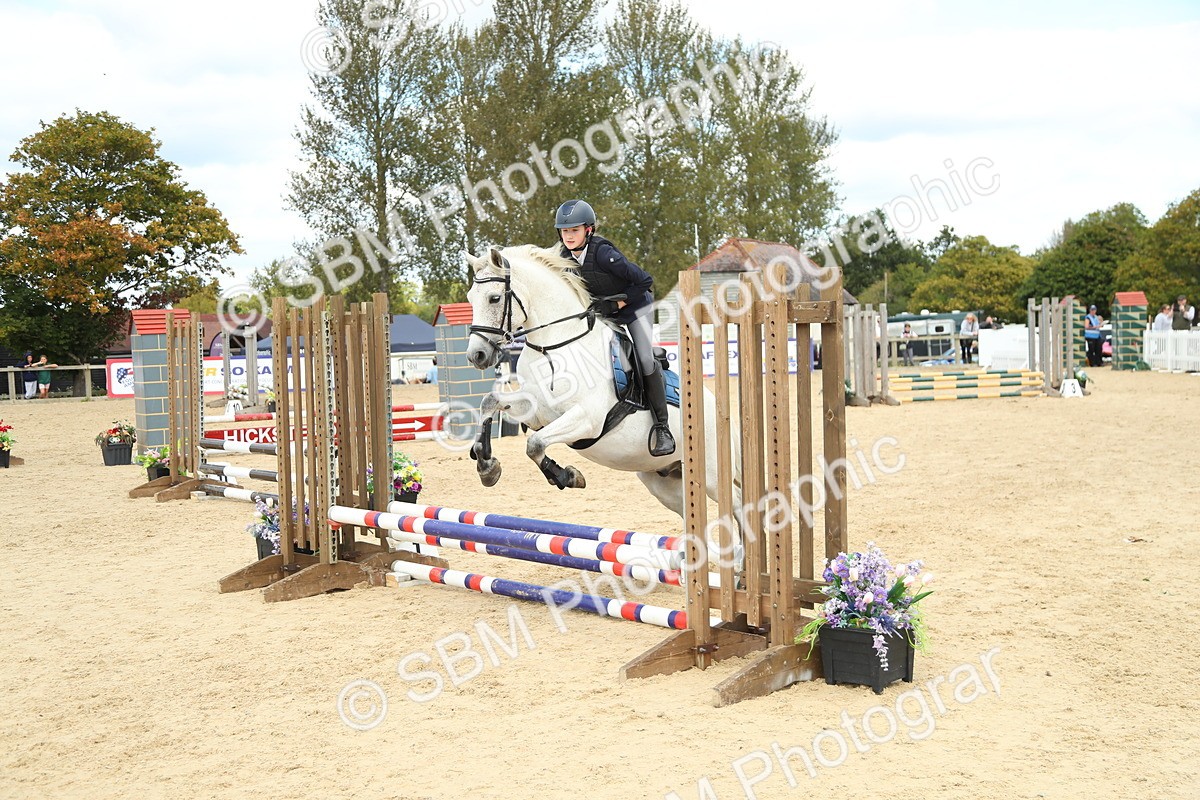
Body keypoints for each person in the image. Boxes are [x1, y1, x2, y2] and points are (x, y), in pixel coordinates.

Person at [555, 199, 673, 457]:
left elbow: (645, 280)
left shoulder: (604, 253)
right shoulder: (563, 257)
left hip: (635, 308)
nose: (569, 236)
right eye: (565, 231)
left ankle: (662, 427)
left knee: (642, 358)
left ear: (589, 230)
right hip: (605, 313)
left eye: (574, 230)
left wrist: (620, 302)